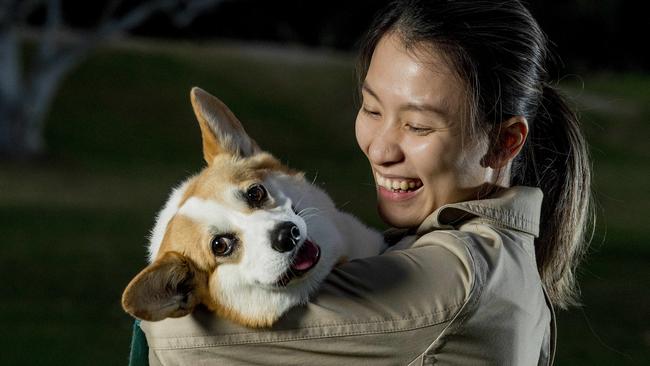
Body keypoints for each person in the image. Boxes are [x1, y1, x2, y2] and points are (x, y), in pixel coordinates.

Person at [130, 0, 594, 364]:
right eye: (371, 109)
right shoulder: (482, 258)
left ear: (503, 142)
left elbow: (182, 337)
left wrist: (186, 259)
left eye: (418, 126)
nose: (380, 149)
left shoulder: (453, 282)